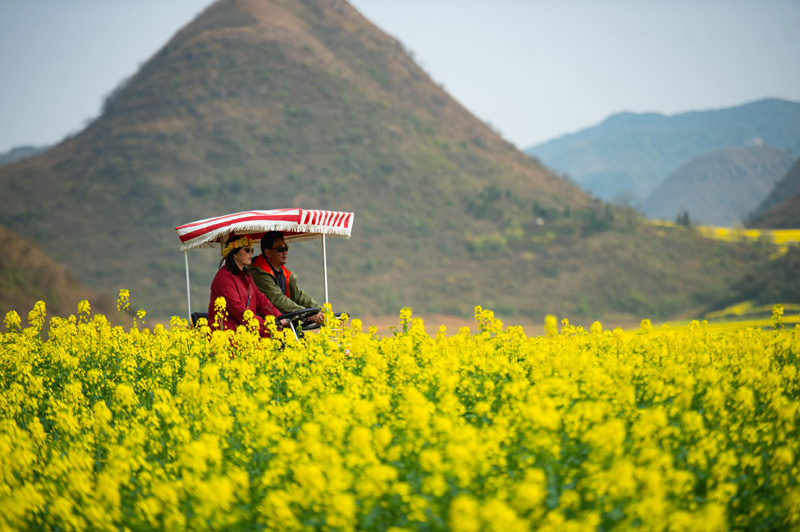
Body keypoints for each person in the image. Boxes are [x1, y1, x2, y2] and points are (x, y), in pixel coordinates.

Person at [208, 235, 287, 337]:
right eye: (247, 250)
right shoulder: (224, 277)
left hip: (247, 336)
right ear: (234, 254)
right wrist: (266, 325)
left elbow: (261, 300)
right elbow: (238, 309)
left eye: (251, 250)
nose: (251, 253)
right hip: (227, 339)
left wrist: (278, 316)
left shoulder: (246, 276)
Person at [248, 231, 325, 325]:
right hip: (265, 326)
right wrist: (307, 314)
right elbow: (277, 299)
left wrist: (320, 311)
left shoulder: (284, 272)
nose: (285, 252)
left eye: (286, 248)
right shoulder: (259, 273)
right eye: (280, 249)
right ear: (268, 253)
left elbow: (299, 295)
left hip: (285, 322)